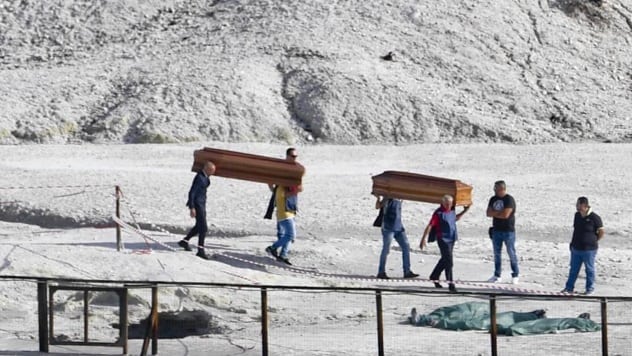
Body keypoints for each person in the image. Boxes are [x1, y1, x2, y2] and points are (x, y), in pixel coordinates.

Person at [420, 195, 469, 292]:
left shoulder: (452, 210)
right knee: (449, 262)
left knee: (445, 259)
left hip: (451, 238)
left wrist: (465, 210)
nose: (448, 205)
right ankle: (451, 284)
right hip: (443, 239)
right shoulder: (438, 213)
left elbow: (455, 218)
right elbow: (430, 225)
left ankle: (434, 276)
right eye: (446, 204)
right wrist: (423, 239)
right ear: (442, 203)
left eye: (450, 204)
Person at [265, 147, 303, 265]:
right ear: (287, 156)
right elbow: (271, 183)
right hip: (284, 209)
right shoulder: (283, 171)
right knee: (290, 235)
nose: (294, 158)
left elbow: (299, 187)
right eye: (292, 156)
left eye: (295, 156)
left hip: (290, 207)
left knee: (285, 234)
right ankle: (272, 248)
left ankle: (283, 254)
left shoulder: (293, 170)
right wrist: (276, 191)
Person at [561, 197, 605, 295]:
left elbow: (601, 232)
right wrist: (572, 244)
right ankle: (569, 288)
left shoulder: (595, 217)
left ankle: (590, 289)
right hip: (576, 248)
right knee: (573, 269)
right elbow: (575, 230)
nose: (577, 207)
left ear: (584, 205)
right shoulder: (577, 216)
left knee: (589, 270)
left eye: (578, 205)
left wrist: (593, 240)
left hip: (589, 249)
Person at [375, 195, 419, 279]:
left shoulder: (399, 197)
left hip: (399, 227)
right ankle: (381, 272)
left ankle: (407, 271)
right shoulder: (387, 198)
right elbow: (378, 206)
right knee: (386, 249)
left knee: (406, 246)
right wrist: (378, 199)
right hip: (388, 228)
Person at [179, 161, 215, 260]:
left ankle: (184, 241)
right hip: (197, 205)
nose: (212, 173)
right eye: (211, 171)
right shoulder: (199, 177)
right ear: (207, 169)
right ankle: (200, 250)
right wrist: (192, 207)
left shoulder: (205, 177)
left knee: (198, 226)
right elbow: (192, 192)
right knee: (203, 228)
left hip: (202, 204)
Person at [486, 180, 519, 284]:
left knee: (511, 252)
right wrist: (499, 213)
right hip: (496, 230)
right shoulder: (493, 199)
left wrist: (495, 213)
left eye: (496, 188)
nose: (494, 190)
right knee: (497, 253)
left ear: (501, 189)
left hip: (508, 230)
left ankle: (515, 274)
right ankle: (497, 274)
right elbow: (488, 213)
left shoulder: (509, 199)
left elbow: (506, 215)